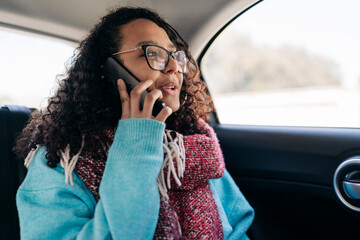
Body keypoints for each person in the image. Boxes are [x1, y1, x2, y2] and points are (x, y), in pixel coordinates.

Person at [15, 7, 254, 240]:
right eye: (152, 54)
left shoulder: (193, 146)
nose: (173, 67)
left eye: (174, 55)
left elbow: (237, 230)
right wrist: (137, 144)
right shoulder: (61, 161)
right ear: (109, 71)